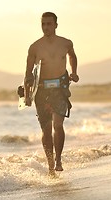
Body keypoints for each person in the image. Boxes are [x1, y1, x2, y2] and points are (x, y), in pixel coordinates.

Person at [24, 12, 79, 176]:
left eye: (49, 24)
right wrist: (27, 95)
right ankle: (50, 163)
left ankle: (58, 160)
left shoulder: (66, 43)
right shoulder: (35, 47)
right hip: (41, 91)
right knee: (46, 130)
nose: (46, 27)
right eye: (43, 24)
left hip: (60, 88)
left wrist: (74, 72)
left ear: (56, 25)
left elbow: (72, 56)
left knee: (58, 125)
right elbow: (28, 74)